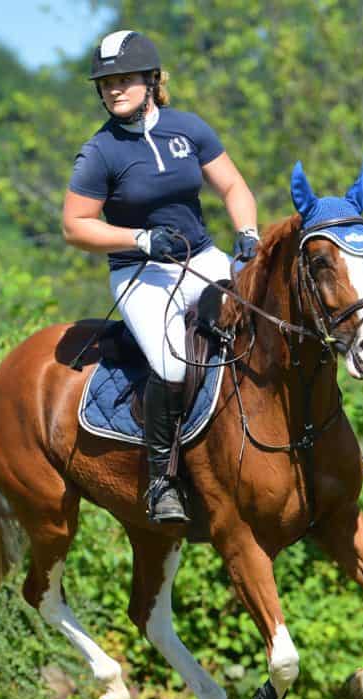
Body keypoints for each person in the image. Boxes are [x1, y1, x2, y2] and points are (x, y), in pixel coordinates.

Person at [63, 30, 259, 524]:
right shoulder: (99, 152)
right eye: (105, 83)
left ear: (152, 81)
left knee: (268, 319)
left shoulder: (188, 129)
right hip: (141, 275)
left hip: (203, 258)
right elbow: (75, 226)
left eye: (124, 80)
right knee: (172, 365)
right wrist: (139, 240)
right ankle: (161, 481)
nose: (113, 90)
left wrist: (248, 233)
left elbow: (233, 185)